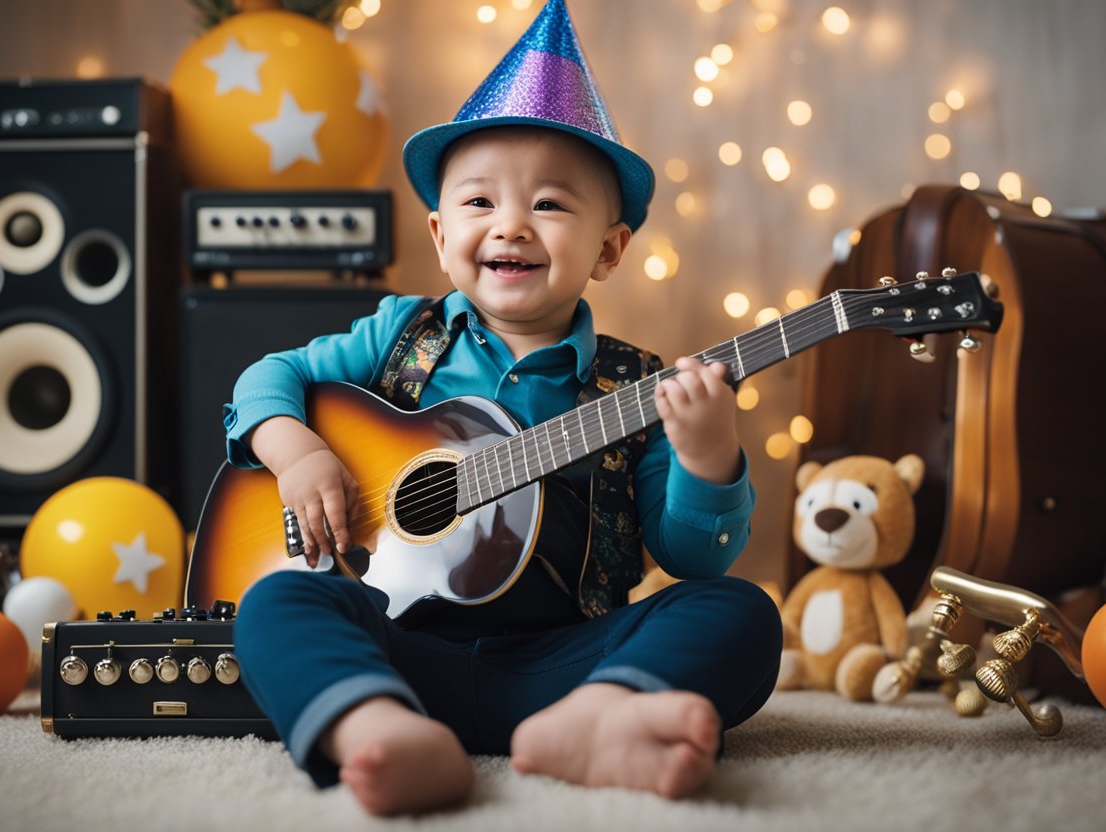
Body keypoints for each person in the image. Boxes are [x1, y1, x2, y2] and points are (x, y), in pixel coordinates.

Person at [223, 0, 781, 816]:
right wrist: (297, 453)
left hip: (564, 665)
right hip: (399, 646)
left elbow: (693, 556)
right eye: (480, 203)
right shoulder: (398, 336)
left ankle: (602, 719)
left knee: (740, 613)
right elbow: (266, 377)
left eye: (550, 205)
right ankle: (373, 723)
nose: (511, 224)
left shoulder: (636, 387)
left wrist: (705, 457)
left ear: (607, 250)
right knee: (276, 602)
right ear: (442, 234)